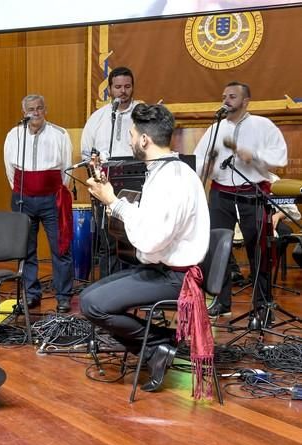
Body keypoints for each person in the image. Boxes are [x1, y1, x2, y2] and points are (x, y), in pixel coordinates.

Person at [80, 104, 211, 393]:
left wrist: (114, 203)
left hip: (175, 277)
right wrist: (113, 201)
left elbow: (151, 241)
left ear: (143, 140)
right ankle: (161, 343)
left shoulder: (171, 179)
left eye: (131, 134)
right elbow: (152, 224)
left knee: (93, 305)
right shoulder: (166, 170)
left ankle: (157, 346)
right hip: (159, 268)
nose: (128, 140)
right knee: (88, 297)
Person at [194, 81, 288, 318]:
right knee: (218, 249)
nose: (226, 100)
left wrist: (253, 156)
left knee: (258, 250)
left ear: (246, 101)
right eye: (224, 96)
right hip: (220, 193)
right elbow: (198, 160)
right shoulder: (216, 128)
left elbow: (281, 157)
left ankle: (262, 305)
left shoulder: (262, 125)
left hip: (252, 193)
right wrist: (209, 164)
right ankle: (221, 301)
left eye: (232, 96)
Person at [4, 94, 74, 313]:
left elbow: (67, 169)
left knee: (60, 247)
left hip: (51, 198)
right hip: (23, 198)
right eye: (30, 109)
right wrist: (24, 190)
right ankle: (31, 294)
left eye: (39, 108)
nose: (35, 112)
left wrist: (50, 191)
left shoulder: (60, 134)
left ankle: (63, 296)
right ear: (23, 112)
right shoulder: (14, 134)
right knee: (26, 249)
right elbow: (10, 168)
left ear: (46, 110)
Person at [81, 66, 140, 277]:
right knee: (107, 238)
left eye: (127, 86)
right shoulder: (98, 117)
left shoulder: (142, 113)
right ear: (110, 90)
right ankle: (108, 284)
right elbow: (86, 153)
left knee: (135, 236)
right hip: (106, 183)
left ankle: (138, 286)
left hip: (137, 182)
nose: (122, 91)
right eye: (118, 87)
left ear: (133, 87)